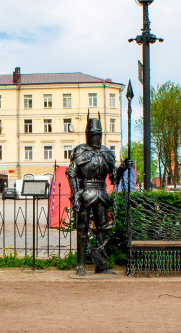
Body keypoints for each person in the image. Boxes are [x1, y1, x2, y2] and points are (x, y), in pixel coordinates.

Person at [67, 112, 131, 276]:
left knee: (103, 229)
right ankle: (81, 264)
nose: (97, 137)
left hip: (101, 193)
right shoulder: (81, 151)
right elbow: (71, 172)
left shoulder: (106, 153)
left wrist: (123, 167)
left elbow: (114, 178)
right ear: (88, 134)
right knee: (82, 229)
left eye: (99, 134)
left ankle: (100, 264)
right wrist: (75, 195)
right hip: (85, 193)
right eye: (94, 134)